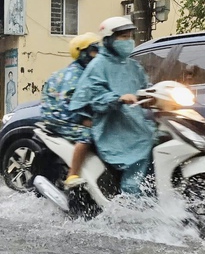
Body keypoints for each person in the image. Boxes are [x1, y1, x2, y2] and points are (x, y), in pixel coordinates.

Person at [69, 17, 156, 195]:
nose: (128, 41)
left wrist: (155, 97)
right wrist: (117, 99)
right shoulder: (98, 65)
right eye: (123, 37)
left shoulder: (133, 65)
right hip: (112, 126)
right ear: (109, 39)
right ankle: (131, 197)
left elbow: (146, 88)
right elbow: (94, 95)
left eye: (130, 36)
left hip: (135, 121)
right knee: (140, 149)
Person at [41, 32, 99, 188]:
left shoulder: (85, 71)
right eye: (93, 51)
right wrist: (84, 120)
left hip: (63, 115)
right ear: (81, 53)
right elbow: (71, 104)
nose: (97, 54)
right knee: (87, 134)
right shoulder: (75, 75)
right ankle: (72, 175)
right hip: (61, 118)